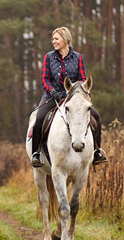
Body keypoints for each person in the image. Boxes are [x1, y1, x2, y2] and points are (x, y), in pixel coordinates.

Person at [30, 26, 107, 167]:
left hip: (73, 97)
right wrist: (53, 92)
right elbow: (44, 79)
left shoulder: (78, 58)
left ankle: (97, 152)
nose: (54, 41)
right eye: (53, 39)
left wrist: (74, 93)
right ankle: (36, 154)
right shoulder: (49, 57)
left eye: (56, 39)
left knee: (95, 116)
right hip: (51, 96)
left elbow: (83, 80)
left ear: (66, 40)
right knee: (39, 118)